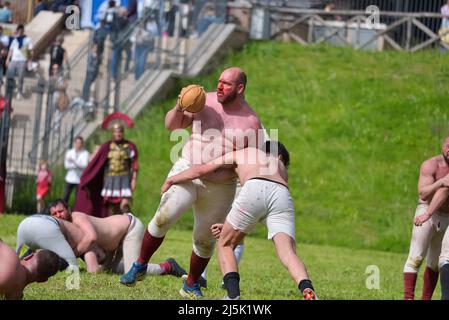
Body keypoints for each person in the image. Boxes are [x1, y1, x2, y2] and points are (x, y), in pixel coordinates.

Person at [120, 67, 262, 300]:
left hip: (220, 185)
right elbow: (171, 125)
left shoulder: (251, 123)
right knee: (164, 216)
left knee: (204, 240)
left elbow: (251, 161)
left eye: (226, 83)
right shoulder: (202, 99)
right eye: (219, 81)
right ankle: (140, 264)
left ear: (240, 88)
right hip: (188, 169)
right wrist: (179, 106)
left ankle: (192, 284)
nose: (219, 86)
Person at [161, 141, 317, 300]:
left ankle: (233, 296)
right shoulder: (280, 168)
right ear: (280, 156)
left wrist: (172, 179)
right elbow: (265, 206)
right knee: (288, 252)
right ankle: (307, 289)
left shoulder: (246, 152)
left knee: (225, 243)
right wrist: (230, 226)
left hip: (254, 187)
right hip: (283, 193)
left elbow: (202, 170)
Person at [48, 199, 187, 276]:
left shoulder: (77, 217)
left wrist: (69, 257)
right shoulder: (65, 229)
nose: (58, 215)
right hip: (113, 243)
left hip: (129, 228)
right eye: (54, 214)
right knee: (108, 271)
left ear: (69, 210)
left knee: (133, 273)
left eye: (61, 211)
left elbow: (91, 237)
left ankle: (168, 266)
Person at [403, 136, 449, 300]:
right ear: (443, 145)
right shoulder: (431, 165)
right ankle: (408, 298)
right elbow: (423, 193)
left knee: (435, 263)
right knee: (415, 258)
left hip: (447, 215)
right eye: (448, 146)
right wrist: (441, 182)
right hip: (426, 210)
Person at [74, 115, 138, 217]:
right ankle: (113, 229)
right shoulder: (107, 146)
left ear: (123, 132)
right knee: (111, 209)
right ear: (112, 133)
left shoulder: (130, 146)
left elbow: (134, 164)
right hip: (110, 180)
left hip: (125, 179)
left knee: (125, 206)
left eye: (120, 132)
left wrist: (134, 179)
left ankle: (127, 226)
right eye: (116, 132)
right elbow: (96, 162)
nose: (118, 134)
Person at [6, 24, 34, 100]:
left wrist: (30, 61)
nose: (20, 31)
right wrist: (8, 59)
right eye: (19, 30)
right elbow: (11, 50)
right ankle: (11, 89)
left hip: (22, 60)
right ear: (18, 30)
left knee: (20, 77)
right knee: (9, 75)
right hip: (14, 60)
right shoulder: (15, 39)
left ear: (23, 30)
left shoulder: (28, 39)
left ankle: (19, 92)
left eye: (21, 30)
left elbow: (31, 51)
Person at [63, 136, 89, 203]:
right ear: (74, 143)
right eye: (77, 143)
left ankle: (75, 212)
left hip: (79, 179)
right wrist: (77, 164)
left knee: (78, 198)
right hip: (70, 178)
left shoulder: (85, 153)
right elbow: (66, 166)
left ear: (82, 144)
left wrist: (73, 161)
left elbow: (84, 165)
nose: (78, 144)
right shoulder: (69, 152)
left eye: (80, 143)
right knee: (65, 196)